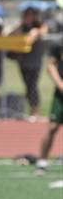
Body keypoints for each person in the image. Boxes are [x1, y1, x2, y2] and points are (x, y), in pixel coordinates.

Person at [10, 7, 48, 120]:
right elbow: (11, 34)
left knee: (33, 86)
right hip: (23, 61)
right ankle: (32, 109)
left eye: (31, 15)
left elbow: (43, 31)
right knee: (27, 86)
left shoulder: (39, 27)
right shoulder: (22, 27)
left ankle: (35, 111)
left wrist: (35, 32)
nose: (29, 17)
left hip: (35, 61)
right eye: (27, 15)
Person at [36, 36, 63, 174]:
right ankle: (42, 162)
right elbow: (50, 65)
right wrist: (60, 85)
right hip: (61, 94)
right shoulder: (58, 43)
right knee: (52, 127)